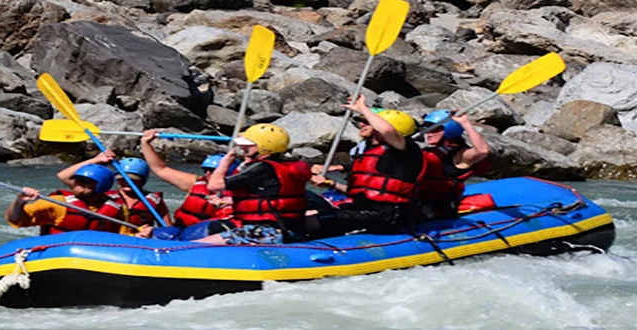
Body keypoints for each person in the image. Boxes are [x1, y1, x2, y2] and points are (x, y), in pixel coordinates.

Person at [311, 95, 424, 235]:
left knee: (315, 221)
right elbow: (363, 192)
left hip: (390, 213)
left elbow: (388, 131)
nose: (364, 126)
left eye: (372, 125)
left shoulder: (406, 151)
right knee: (311, 209)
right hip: (365, 209)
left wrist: (363, 108)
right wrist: (331, 184)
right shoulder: (370, 153)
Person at [200, 123, 312, 245]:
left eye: (248, 144)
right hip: (286, 229)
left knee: (197, 246)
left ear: (265, 146)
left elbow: (214, 185)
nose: (241, 146)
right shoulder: (282, 166)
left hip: (265, 232)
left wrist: (225, 162)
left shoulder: (261, 168)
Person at [139, 129, 234, 228]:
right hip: (183, 230)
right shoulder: (195, 183)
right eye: (206, 169)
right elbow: (161, 169)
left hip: (208, 235)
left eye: (212, 170)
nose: (208, 173)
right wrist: (145, 143)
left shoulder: (238, 192)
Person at [5, 160, 119, 235]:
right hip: (58, 253)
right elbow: (15, 219)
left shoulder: (116, 208)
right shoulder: (58, 203)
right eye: (77, 181)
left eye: (85, 183)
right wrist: (19, 202)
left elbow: (126, 234)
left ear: (101, 186)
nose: (78, 186)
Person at [418, 110, 491, 220]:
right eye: (427, 129)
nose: (429, 133)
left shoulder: (460, 155)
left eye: (435, 129)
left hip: (440, 205)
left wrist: (465, 123)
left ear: (450, 130)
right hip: (419, 199)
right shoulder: (429, 151)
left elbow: (482, 151)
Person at [106, 156, 172, 236]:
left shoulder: (154, 200)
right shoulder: (105, 196)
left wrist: (152, 231)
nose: (126, 182)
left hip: (140, 241)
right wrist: (96, 160)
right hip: (110, 241)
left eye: (133, 179)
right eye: (122, 178)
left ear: (142, 180)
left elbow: (168, 229)